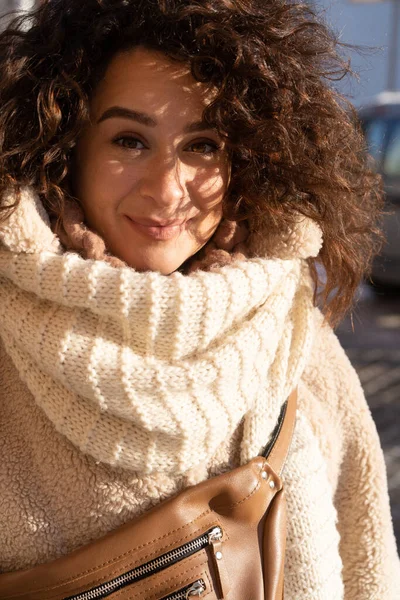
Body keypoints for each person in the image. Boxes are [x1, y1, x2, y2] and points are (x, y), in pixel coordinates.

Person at [0, 0, 398, 598]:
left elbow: (365, 559)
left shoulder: (289, 329)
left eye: (203, 146)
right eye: (129, 140)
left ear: (248, 162)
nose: (166, 189)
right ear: (65, 149)